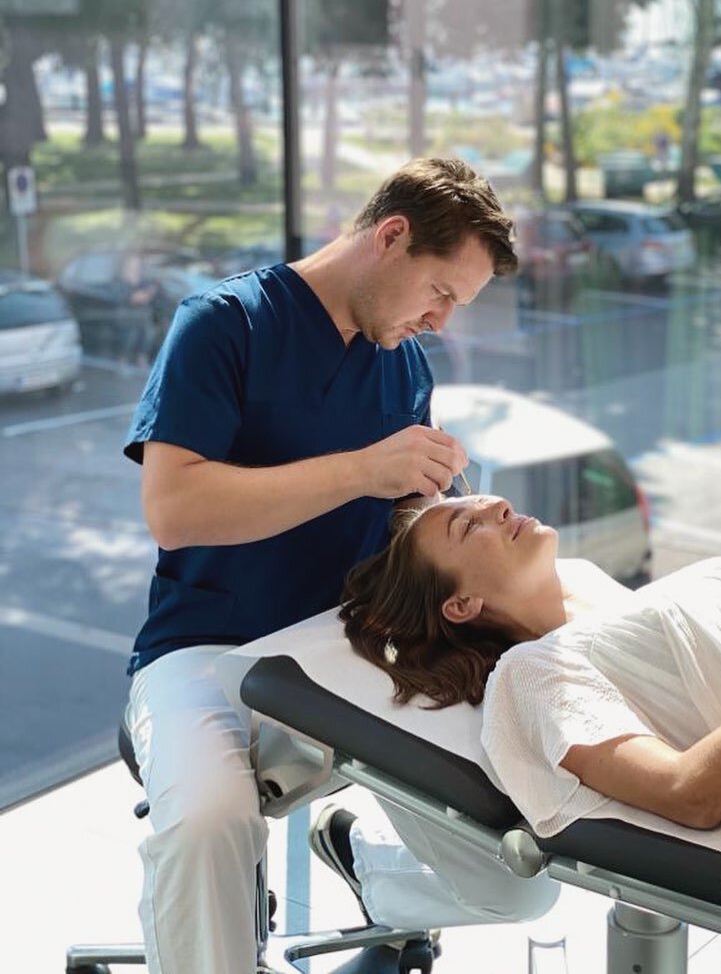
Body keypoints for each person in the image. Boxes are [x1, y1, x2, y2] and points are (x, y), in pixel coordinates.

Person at [122, 158, 558, 974]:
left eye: (455, 306)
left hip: (351, 664)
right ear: (390, 237)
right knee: (208, 821)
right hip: (203, 652)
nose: (440, 320)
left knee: (517, 880)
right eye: (439, 292)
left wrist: (448, 516)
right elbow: (174, 509)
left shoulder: (406, 364)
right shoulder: (227, 325)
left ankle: (372, 873)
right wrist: (364, 469)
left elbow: (394, 522)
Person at [339, 495, 721, 973]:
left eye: (481, 501)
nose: (497, 506)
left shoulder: (625, 607)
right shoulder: (530, 677)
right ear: (461, 605)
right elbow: (690, 792)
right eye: (467, 526)